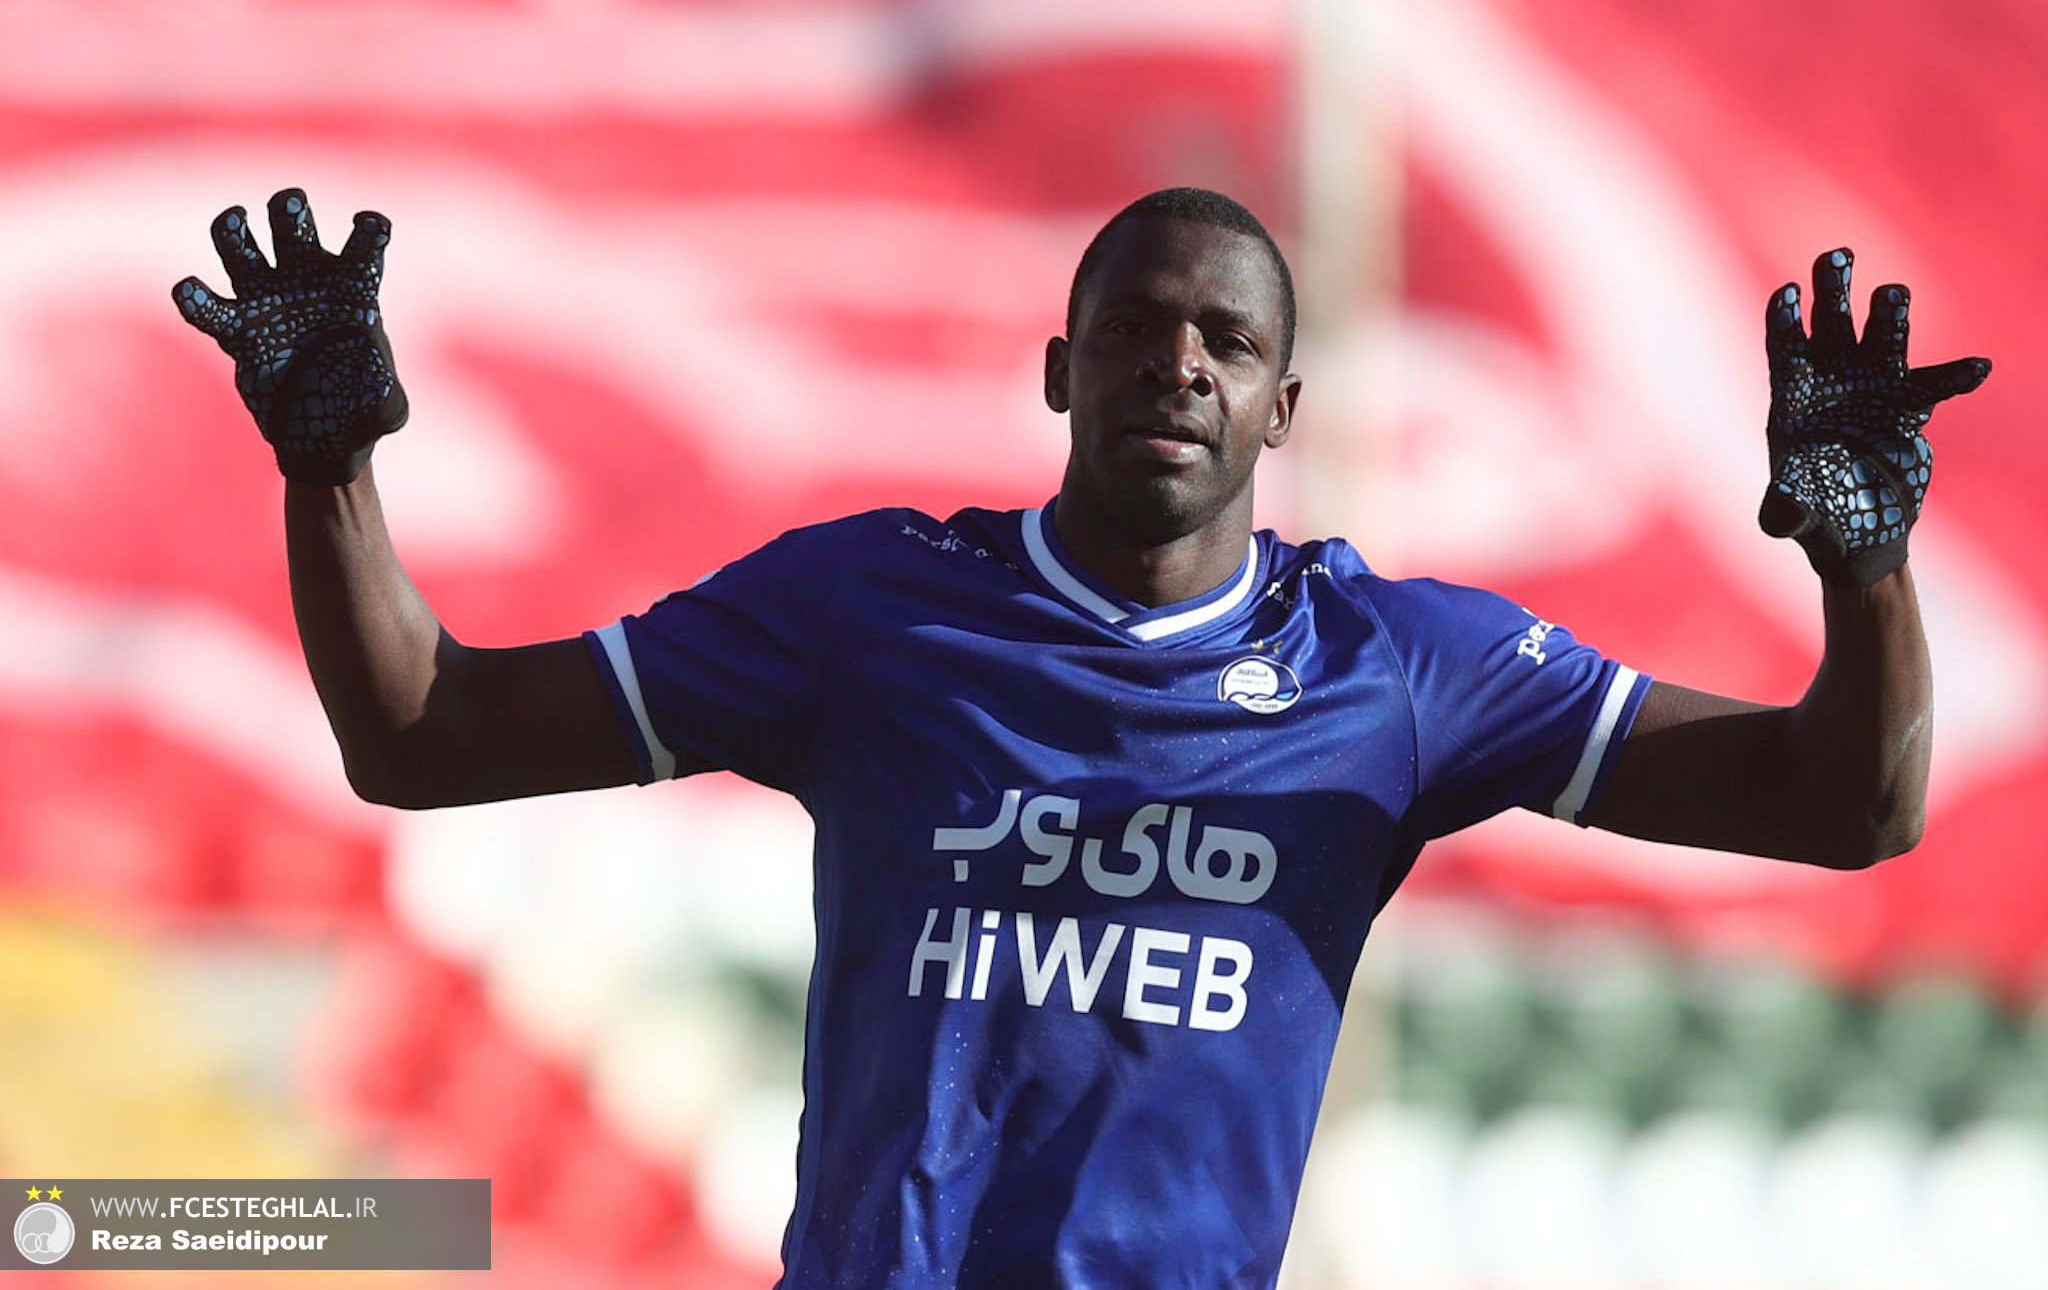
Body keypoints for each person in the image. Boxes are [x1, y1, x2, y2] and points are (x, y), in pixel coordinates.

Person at [174, 186, 1989, 1287]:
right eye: (1133, 327)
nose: (1176, 362)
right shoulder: (868, 610)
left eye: (1225, 340)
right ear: (1060, 370)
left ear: (1285, 403)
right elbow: (423, 735)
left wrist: (1870, 566)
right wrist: (330, 466)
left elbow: (1849, 805)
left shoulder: (1398, 667)